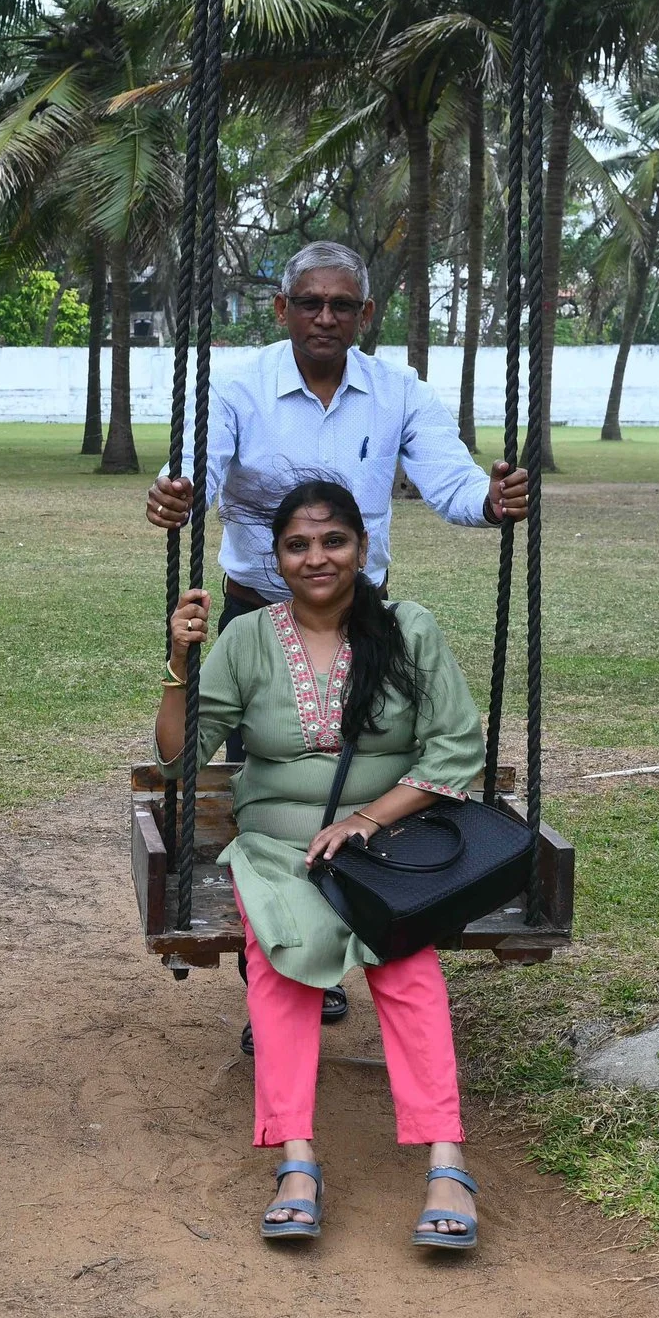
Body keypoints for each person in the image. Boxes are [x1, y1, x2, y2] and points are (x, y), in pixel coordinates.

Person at [146, 240, 533, 1031]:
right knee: (271, 779)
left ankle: (375, 919)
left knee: (364, 778)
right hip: (257, 613)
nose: (325, 316)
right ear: (281, 309)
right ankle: (281, 966)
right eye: (310, 302)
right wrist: (176, 492)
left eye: (342, 304)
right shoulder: (240, 387)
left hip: (364, 623)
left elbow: (451, 478)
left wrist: (492, 502)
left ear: (366, 313)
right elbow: (196, 466)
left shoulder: (397, 392)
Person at [158, 478, 485, 1249]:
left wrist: (367, 818)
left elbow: (456, 748)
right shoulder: (247, 639)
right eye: (298, 545)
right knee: (282, 958)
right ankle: (296, 1160)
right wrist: (179, 658)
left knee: (408, 963)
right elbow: (178, 758)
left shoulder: (407, 630)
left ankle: (446, 1159)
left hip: (388, 845)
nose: (317, 557)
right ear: (276, 559)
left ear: (363, 549)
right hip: (279, 851)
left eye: (334, 540)